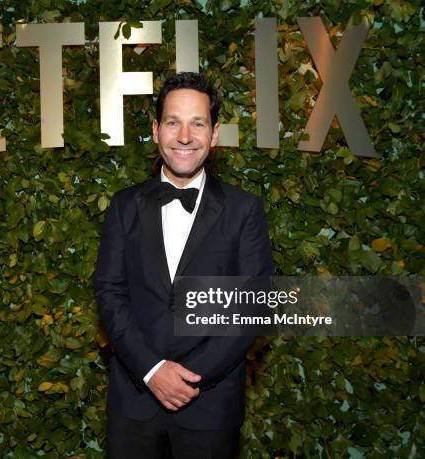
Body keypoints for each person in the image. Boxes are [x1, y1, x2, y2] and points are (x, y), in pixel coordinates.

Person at [94, 72, 274, 458]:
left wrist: (190, 378)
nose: (185, 136)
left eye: (198, 123)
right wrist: (152, 370)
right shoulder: (124, 206)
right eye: (174, 122)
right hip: (133, 404)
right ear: (157, 130)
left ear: (215, 132)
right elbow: (110, 292)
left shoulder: (245, 210)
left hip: (210, 405)